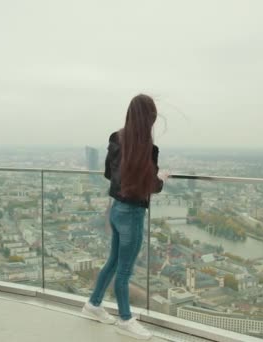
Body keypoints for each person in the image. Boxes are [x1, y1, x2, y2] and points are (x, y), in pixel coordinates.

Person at [82, 94, 169, 340]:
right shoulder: (148, 149)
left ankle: (94, 304)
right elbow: (152, 186)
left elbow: (109, 174)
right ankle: (125, 319)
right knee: (124, 271)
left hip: (116, 210)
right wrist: (161, 179)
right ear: (150, 119)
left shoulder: (116, 138)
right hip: (132, 214)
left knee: (112, 262)